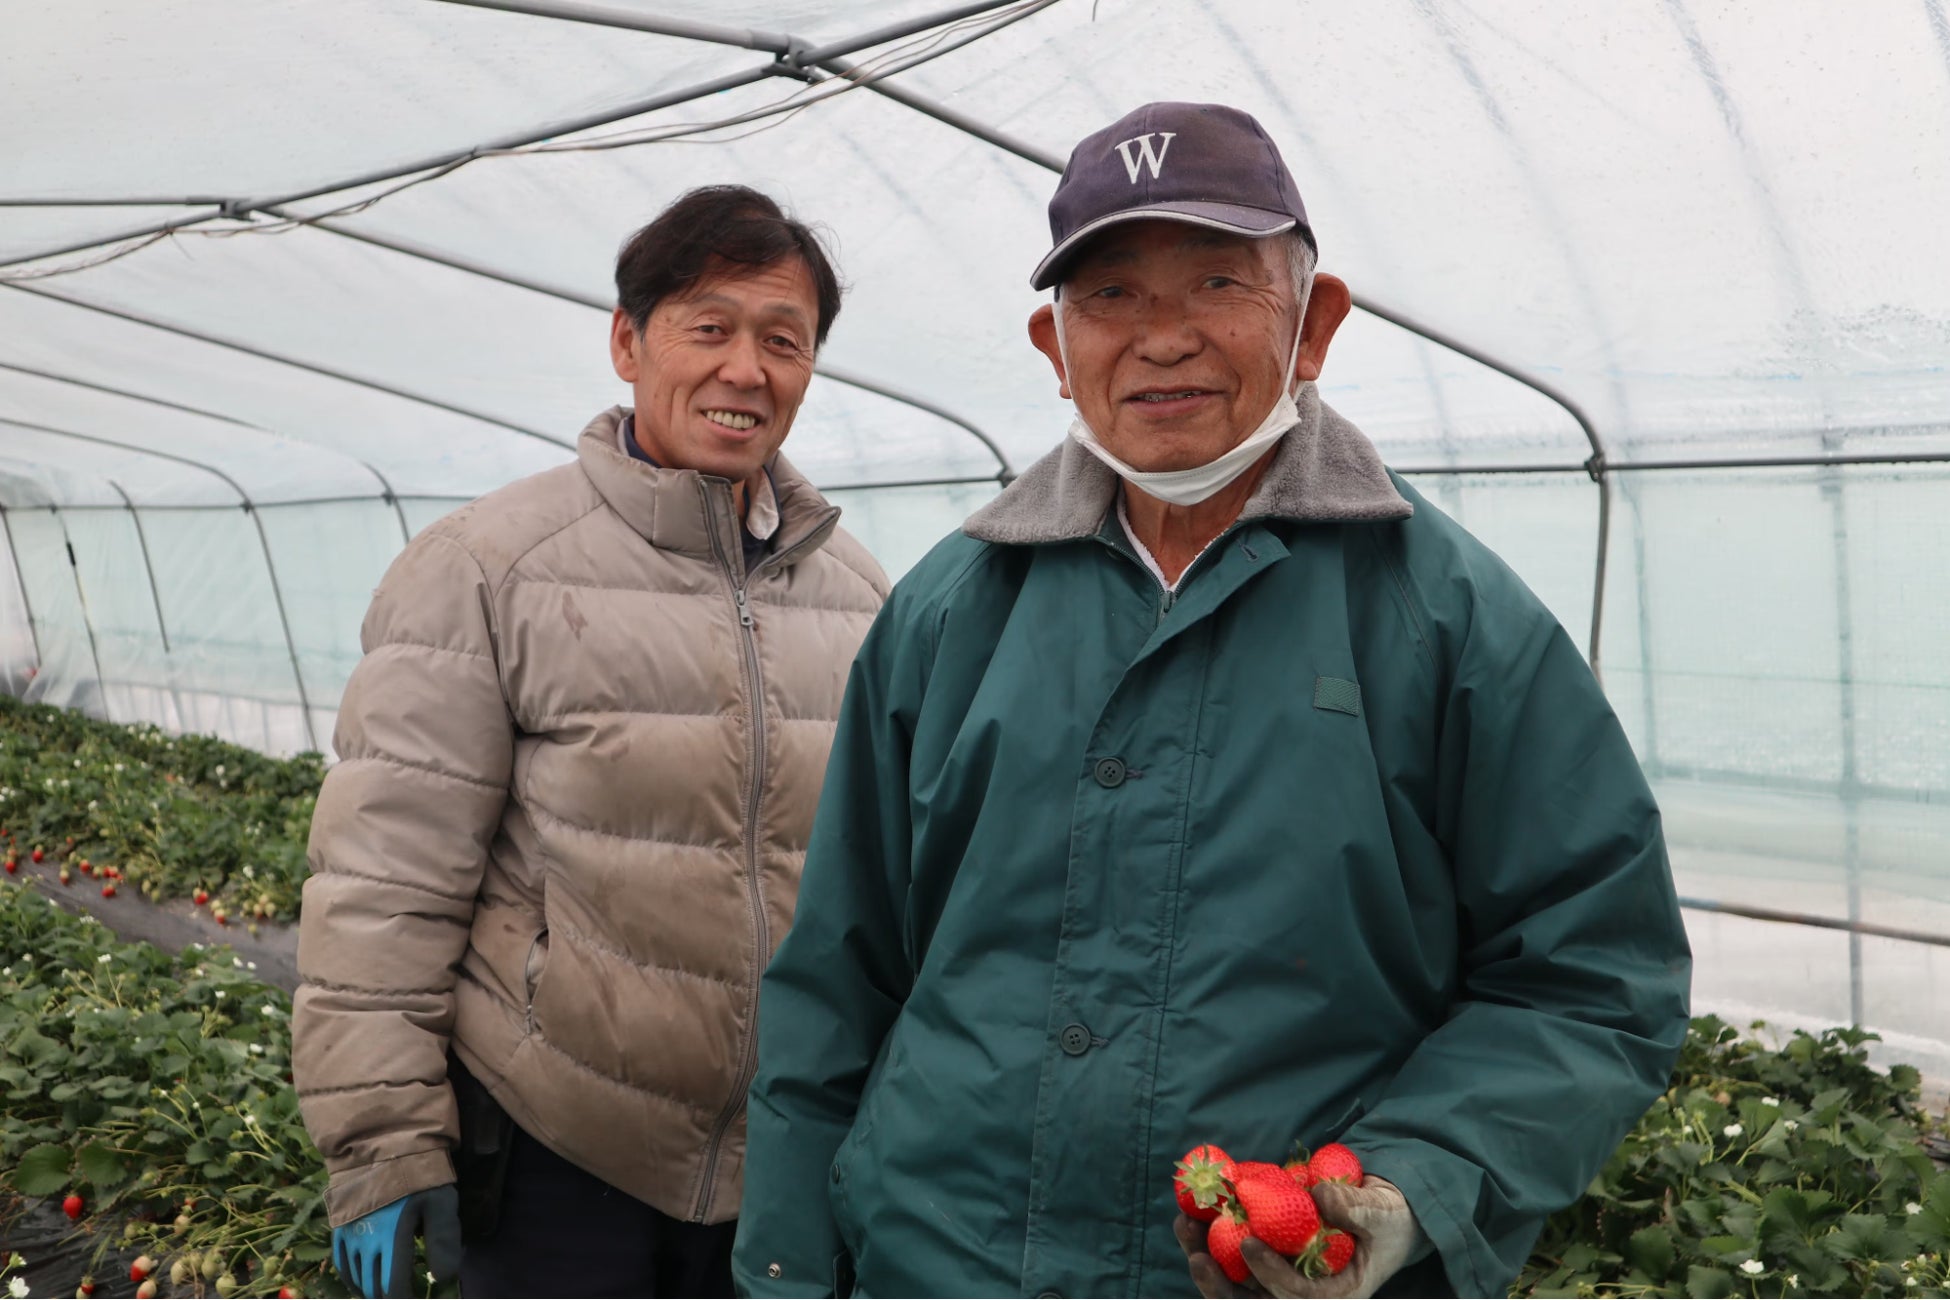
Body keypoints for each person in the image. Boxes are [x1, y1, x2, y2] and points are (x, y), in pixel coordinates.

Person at [731, 103, 1691, 1298]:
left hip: (1268, 1272)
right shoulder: (949, 612)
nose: (1164, 337)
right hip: (939, 1261)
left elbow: (1590, 977)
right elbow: (838, 974)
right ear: (1054, 344)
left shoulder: (1448, 620)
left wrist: (1404, 1180)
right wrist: (782, 1263)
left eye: (1219, 283)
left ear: (1314, 324)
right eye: (1114, 296)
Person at [292, 185, 889, 1299]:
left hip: (784, 1163)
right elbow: (386, 877)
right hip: (555, 1144)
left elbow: (885, 899)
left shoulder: (861, 599)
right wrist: (381, 1141)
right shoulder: (488, 565)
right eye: (709, 328)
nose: (745, 370)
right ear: (627, 341)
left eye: (783, 341)